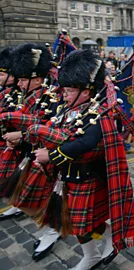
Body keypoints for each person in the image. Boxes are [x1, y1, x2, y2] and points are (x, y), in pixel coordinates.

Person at [30, 49, 134, 269]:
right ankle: (94, 251)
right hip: (66, 178)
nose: (64, 94)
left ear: (86, 91)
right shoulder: (68, 109)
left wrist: (51, 155)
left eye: (69, 90)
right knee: (78, 223)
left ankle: (99, 247)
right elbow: (55, 129)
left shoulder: (99, 113)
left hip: (87, 178)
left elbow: (84, 143)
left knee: (83, 224)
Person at [0, 43, 61, 261]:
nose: (20, 82)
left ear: (37, 78)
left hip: (44, 157)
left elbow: (48, 127)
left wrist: (20, 133)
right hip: (27, 153)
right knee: (25, 197)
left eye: (24, 79)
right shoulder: (23, 94)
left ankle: (52, 231)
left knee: (41, 200)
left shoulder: (51, 97)